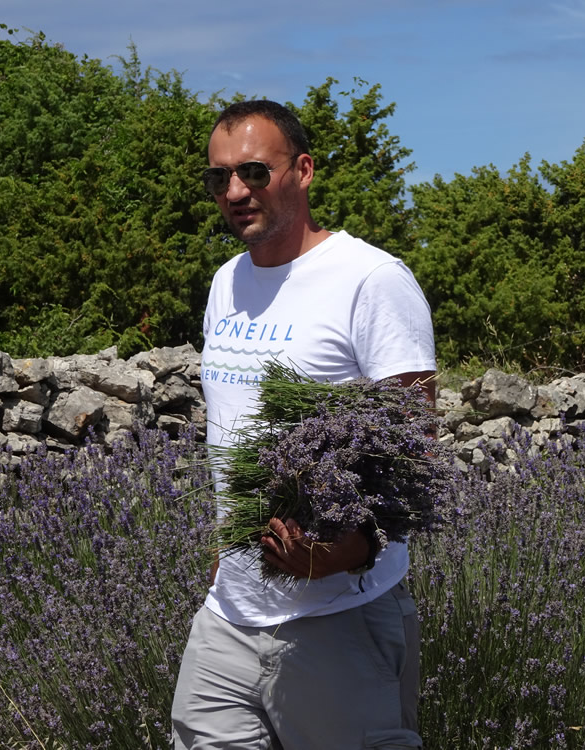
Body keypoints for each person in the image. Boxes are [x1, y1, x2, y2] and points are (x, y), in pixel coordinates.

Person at [171, 99, 436, 750]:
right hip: (228, 621)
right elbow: (235, 431)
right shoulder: (226, 283)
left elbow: (416, 447)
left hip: (338, 617)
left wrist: (349, 551)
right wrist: (225, 549)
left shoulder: (369, 280)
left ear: (304, 170)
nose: (235, 191)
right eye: (219, 178)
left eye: (255, 172)